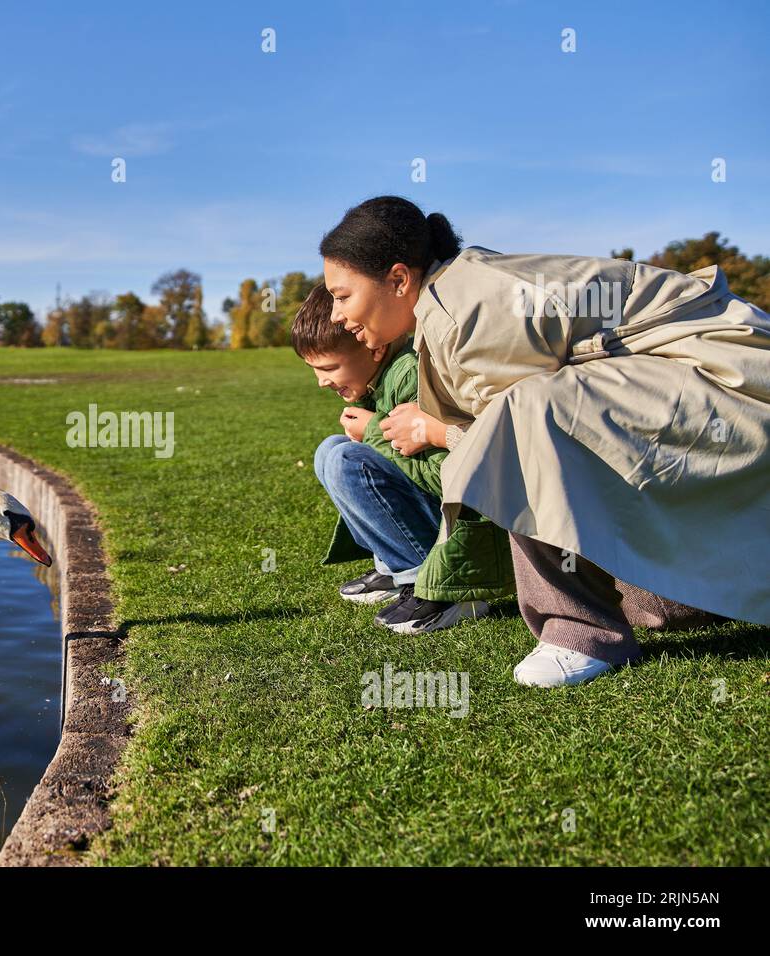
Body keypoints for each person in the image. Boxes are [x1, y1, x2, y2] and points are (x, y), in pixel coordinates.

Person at [318, 195, 769, 686]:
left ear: (399, 279)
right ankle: (677, 595)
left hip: (728, 380)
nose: (337, 314)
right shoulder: (452, 296)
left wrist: (435, 431)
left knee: (529, 409)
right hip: (699, 377)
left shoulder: (464, 308)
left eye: (342, 295)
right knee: (537, 415)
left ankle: (580, 632)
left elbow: (510, 438)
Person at [294, 282, 513, 634]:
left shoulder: (409, 376)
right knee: (330, 449)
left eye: (330, 368)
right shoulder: (378, 380)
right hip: (435, 511)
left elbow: (446, 476)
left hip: (461, 530)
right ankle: (394, 568)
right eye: (315, 370)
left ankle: (432, 585)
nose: (321, 382)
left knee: (346, 460)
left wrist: (376, 432)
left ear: (374, 348)